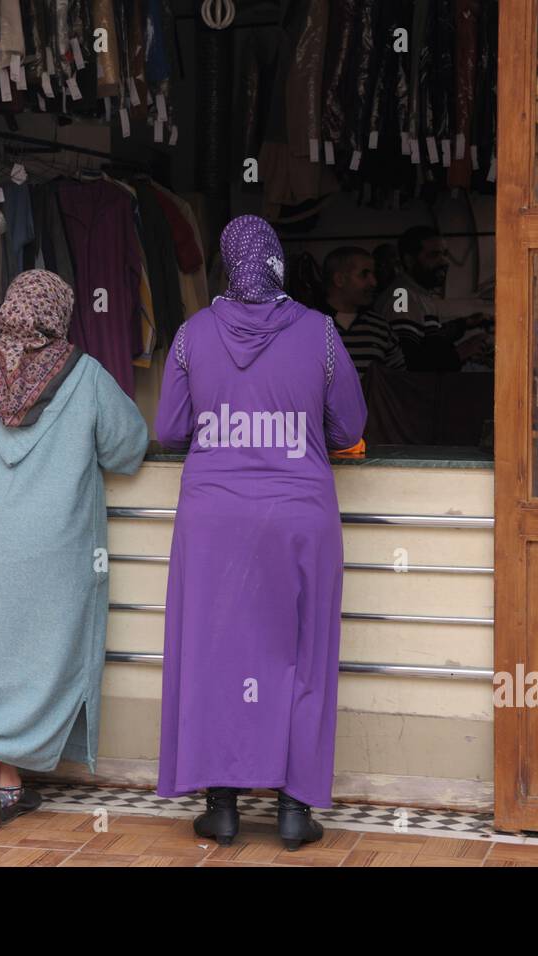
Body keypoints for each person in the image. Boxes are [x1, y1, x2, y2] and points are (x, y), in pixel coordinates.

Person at [154, 215, 367, 850]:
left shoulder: (193, 335)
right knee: (301, 657)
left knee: (214, 657)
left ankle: (220, 808)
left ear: (225, 265)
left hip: (213, 518)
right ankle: (295, 812)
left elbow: (168, 429)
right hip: (299, 517)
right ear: (277, 261)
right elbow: (349, 422)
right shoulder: (320, 333)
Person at [0, 269, 149, 828]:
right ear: (58, 316)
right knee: (46, 658)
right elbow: (128, 448)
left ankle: (1, 776)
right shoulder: (85, 374)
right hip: (52, 543)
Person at [379, 225, 492, 371]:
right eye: (434, 255)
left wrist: (465, 324)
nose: (445, 262)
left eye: (445, 254)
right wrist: (463, 351)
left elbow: (429, 342)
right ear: (409, 260)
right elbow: (411, 363)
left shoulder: (420, 294)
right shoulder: (402, 296)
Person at [321, 246, 407, 376]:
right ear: (339, 280)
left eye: (373, 274)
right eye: (364, 274)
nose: (374, 282)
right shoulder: (305, 326)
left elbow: (398, 380)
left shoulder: (381, 328)